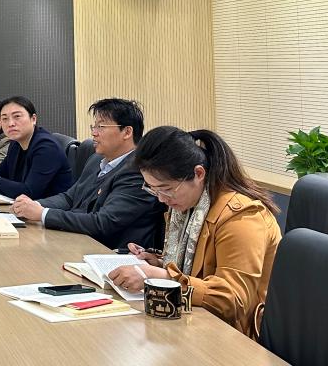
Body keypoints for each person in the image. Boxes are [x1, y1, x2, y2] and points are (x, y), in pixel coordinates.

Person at [106, 126, 281, 338]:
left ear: (199, 174)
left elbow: (234, 300)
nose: (161, 198)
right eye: (153, 189)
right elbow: (200, 268)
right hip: (196, 323)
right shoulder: (187, 206)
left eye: (166, 189)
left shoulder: (242, 218)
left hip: (234, 336)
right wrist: (158, 263)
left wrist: (164, 277)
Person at [10, 98, 163, 250]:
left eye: (101, 126)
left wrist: (43, 214)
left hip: (108, 252)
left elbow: (103, 223)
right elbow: (70, 198)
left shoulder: (138, 172)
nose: (94, 133)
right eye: (94, 126)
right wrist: (34, 206)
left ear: (127, 132)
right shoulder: (96, 159)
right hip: (77, 241)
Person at [0, 96, 72, 199]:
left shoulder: (47, 147)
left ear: (33, 119)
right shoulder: (15, 143)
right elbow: (1, 171)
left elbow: (29, 192)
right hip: (22, 205)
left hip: (47, 206)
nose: (11, 124)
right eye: (5, 119)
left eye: (17, 116)